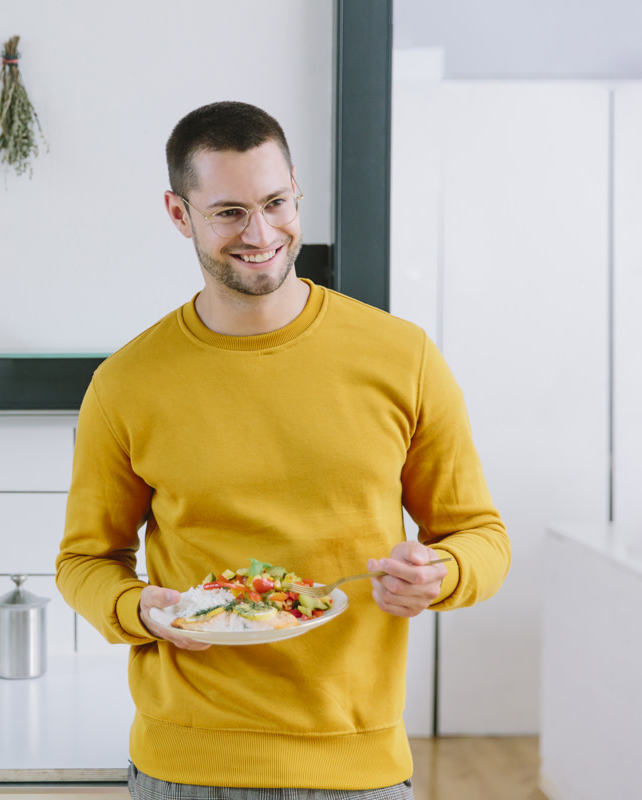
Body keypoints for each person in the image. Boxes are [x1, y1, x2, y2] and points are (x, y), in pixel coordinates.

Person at [55, 101, 511, 799]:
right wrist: (137, 607)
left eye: (275, 202)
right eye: (229, 212)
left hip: (358, 767)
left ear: (297, 187)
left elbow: (481, 537)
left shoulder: (402, 356)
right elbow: (84, 561)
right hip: (187, 769)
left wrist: (440, 572)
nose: (261, 233)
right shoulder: (125, 383)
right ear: (180, 215)